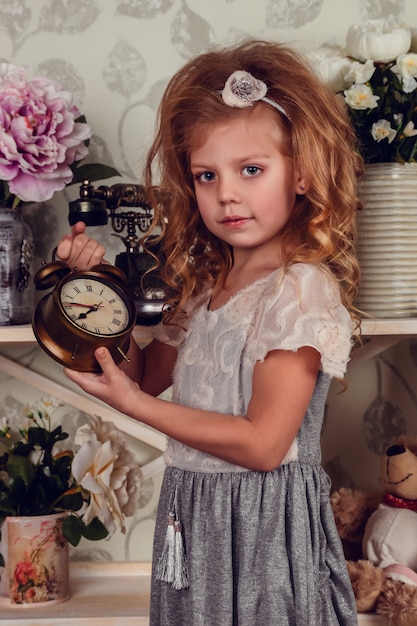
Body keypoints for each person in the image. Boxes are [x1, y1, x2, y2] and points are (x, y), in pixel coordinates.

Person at [57, 39, 363, 625]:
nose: (226, 193)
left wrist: (134, 407)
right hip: (195, 521)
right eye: (206, 174)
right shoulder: (204, 289)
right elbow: (140, 375)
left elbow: (263, 445)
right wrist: (93, 289)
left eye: (251, 169)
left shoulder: (298, 289)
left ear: (301, 174)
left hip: (260, 533)